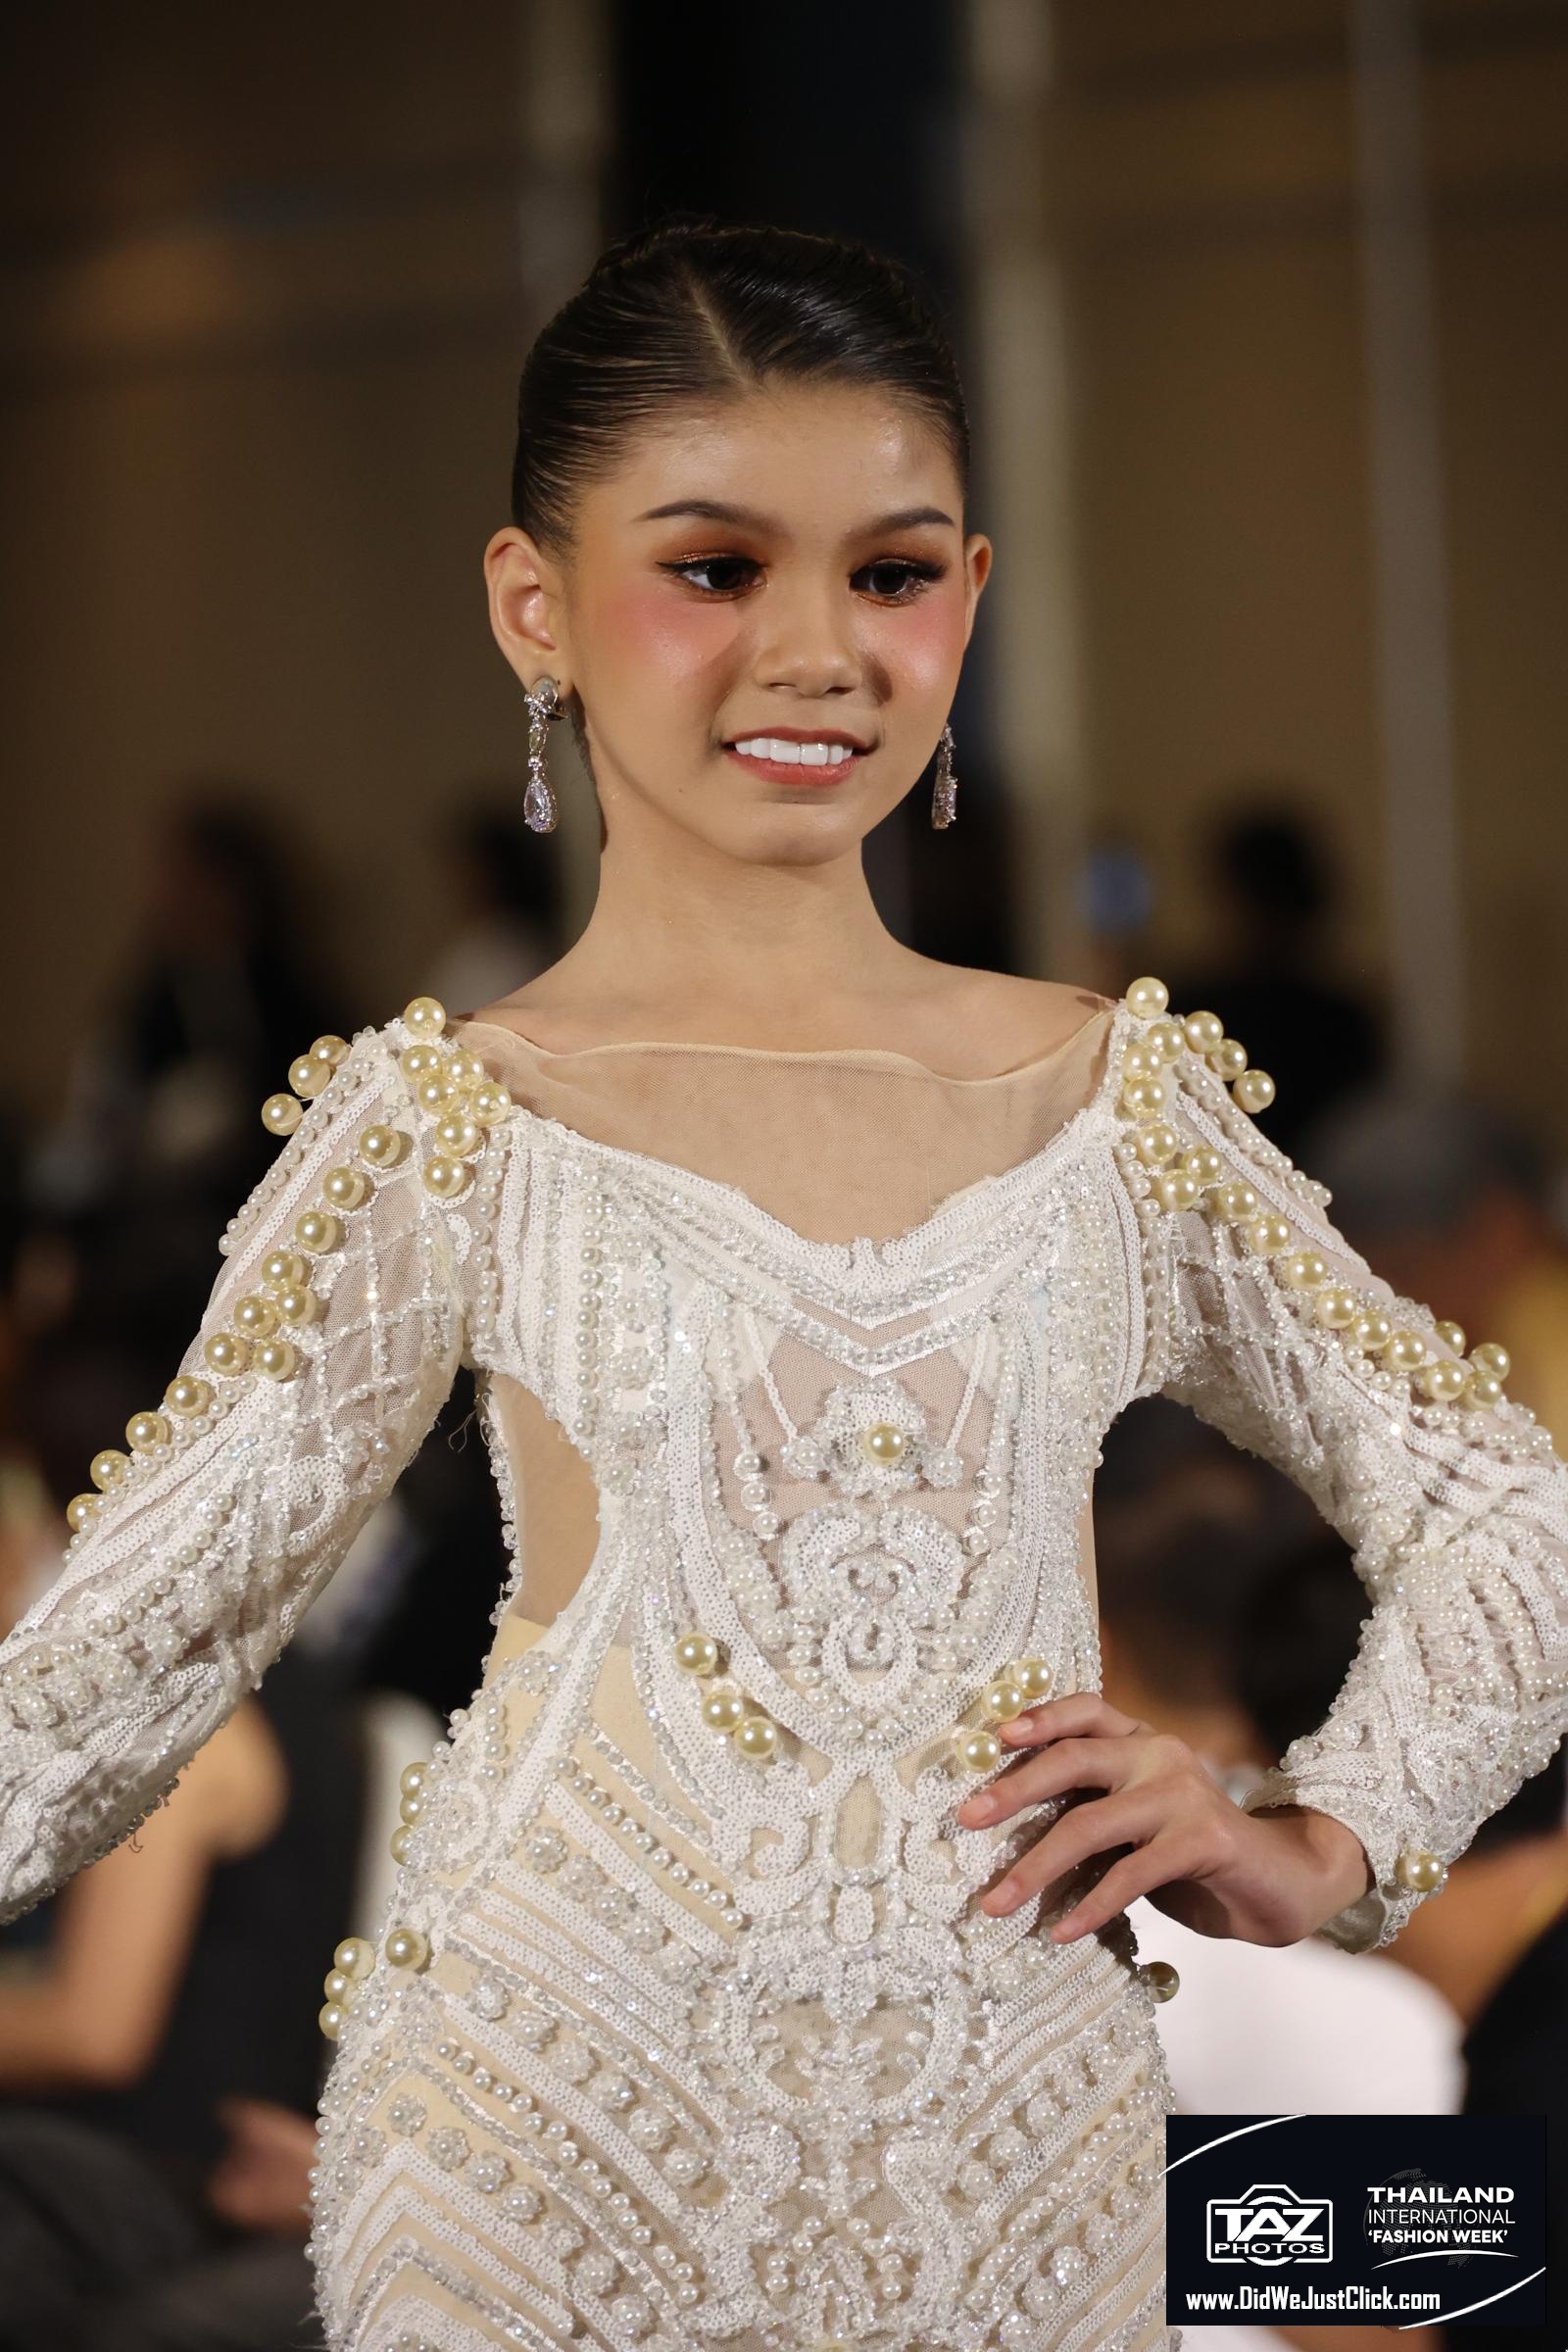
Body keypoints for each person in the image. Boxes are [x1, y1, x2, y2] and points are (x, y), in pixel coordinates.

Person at [2, 218, 1564, 2352]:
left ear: (969, 598)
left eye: (890, 573)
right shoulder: (452, 1120)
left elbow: (1501, 1509)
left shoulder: (1111, 1104)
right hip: (543, 2134)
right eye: (717, 566)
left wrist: (1327, 1832)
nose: (816, 648)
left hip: (1013, 2154)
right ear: (533, 605)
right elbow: (110, 1665)